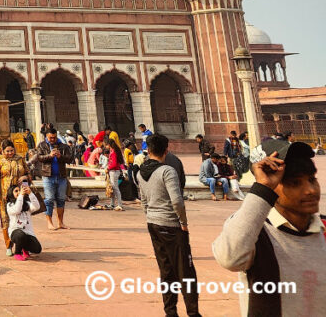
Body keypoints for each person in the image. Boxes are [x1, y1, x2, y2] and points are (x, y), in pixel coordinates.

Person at [212, 137, 325, 316]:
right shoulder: (256, 233)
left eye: (312, 179)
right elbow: (229, 258)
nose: (310, 190)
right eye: (294, 183)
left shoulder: (323, 229)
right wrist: (262, 188)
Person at [138, 133, 199, 317]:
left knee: (166, 269)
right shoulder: (167, 171)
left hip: (153, 223)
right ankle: (193, 312)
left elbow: (143, 200)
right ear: (166, 150)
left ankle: (170, 311)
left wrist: (150, 216)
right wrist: (183, 222)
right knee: (185, 270)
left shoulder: (141, 172)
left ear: (148, 151)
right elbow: (177, 201)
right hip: (172, 225)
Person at [0, 139, 30, 256]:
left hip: (20, 194)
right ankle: (8, 245)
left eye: (11, 150)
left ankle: (22, 245)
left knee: (22, 218)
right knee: (6, 219)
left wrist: (24, 177)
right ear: (2, 151)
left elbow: (29, 173)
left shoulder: (20, 159)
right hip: (5, 195)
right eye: (7, 151)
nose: (10, 153)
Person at [30, 129, 71, 229]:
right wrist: (50, 155)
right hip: (48, 176)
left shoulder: (63, 146)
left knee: (61, 199)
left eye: (54, 137)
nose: (52, 139)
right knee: (49, 200)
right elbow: (39, 158)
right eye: (50, 138)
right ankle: (49, 223)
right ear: (46, 137)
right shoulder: (42, 145)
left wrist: (60, 156)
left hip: (61, 176)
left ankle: (60, 222)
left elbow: (70, 158)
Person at [6, 176, 42, 260]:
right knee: (20, 235)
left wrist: (30, 193)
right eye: (16, 191)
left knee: (37, 249)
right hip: (15, 232)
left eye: (19, 190)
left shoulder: (27, 203)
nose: (19, 192)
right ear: (11, 193)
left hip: (28, 233)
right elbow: (17, 210)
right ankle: (17, 252)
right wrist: (21, 195)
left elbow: (37, 207)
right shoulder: (10, 205)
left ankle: (24, 249)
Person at [104, 137, 126, 211]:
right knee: (113, 188)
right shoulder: (114, 151)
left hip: (114, 171)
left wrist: (108, 168)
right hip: (114, 171)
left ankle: (119, 204)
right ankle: (112, 203)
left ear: (109, 145)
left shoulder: (113, 152)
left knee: (115, 188)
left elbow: (113, 164)